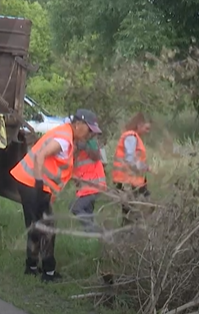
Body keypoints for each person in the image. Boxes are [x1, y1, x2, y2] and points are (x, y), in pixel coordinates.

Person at [9, 108, 101, 282]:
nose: (90, 134)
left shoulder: (67, 136)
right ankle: (48, 272)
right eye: (89, 129)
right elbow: (40, 156)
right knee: (47, 228)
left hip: (30, 184)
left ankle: (32, 267)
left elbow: (57, 167)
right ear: (78, 124)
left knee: (37, 226)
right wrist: (38, 185)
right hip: (32, 185)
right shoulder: (64, 139)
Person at [112, 112, 152, 225]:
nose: (147, 131)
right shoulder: (131, 137)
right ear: (139, 125)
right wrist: (145, 167)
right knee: (132, 210)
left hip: (133, 180)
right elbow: (130, 159)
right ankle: (130, 233)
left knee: (134, 209)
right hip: (127, 181)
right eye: (146, 128)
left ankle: (132, 231)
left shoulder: (133, 137)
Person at [70, 136, 107, 233]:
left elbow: (97, 156)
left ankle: (96, 231)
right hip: (86, 188)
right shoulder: (75, 154)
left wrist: (85, 146)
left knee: (75, 207)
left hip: (94, 186)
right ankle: (92, 235)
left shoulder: (90, 142)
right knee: (87, 211)